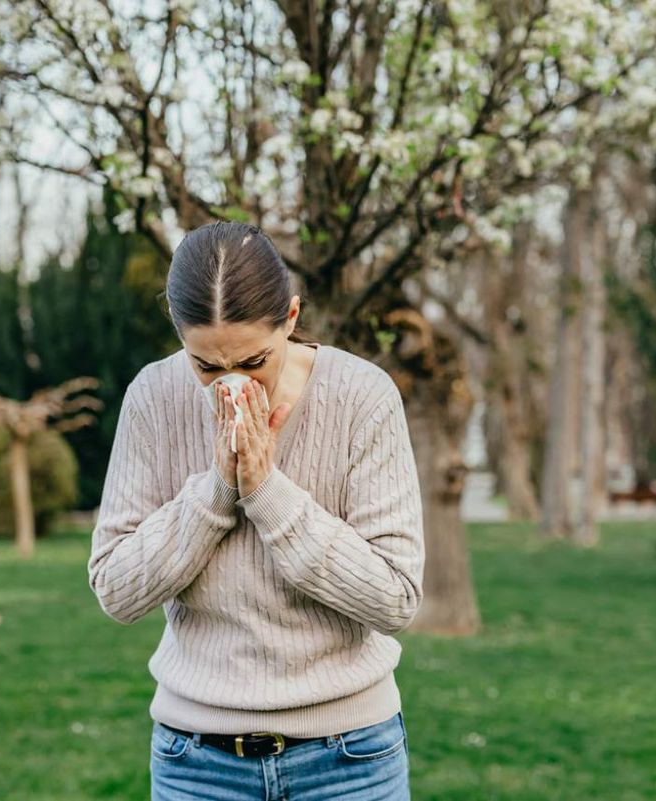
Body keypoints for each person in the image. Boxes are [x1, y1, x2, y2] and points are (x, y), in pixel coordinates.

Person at [88, 221, 425, 800]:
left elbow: (395, 598)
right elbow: (117, 590)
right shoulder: (152, 395)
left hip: (349, 758)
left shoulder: (363, 395)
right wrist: (218, 489)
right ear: (177, 330)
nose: (230, 387)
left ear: (291, 318)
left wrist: (267, 492)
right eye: (207, 367)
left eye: (253, 361)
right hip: (197, 761)